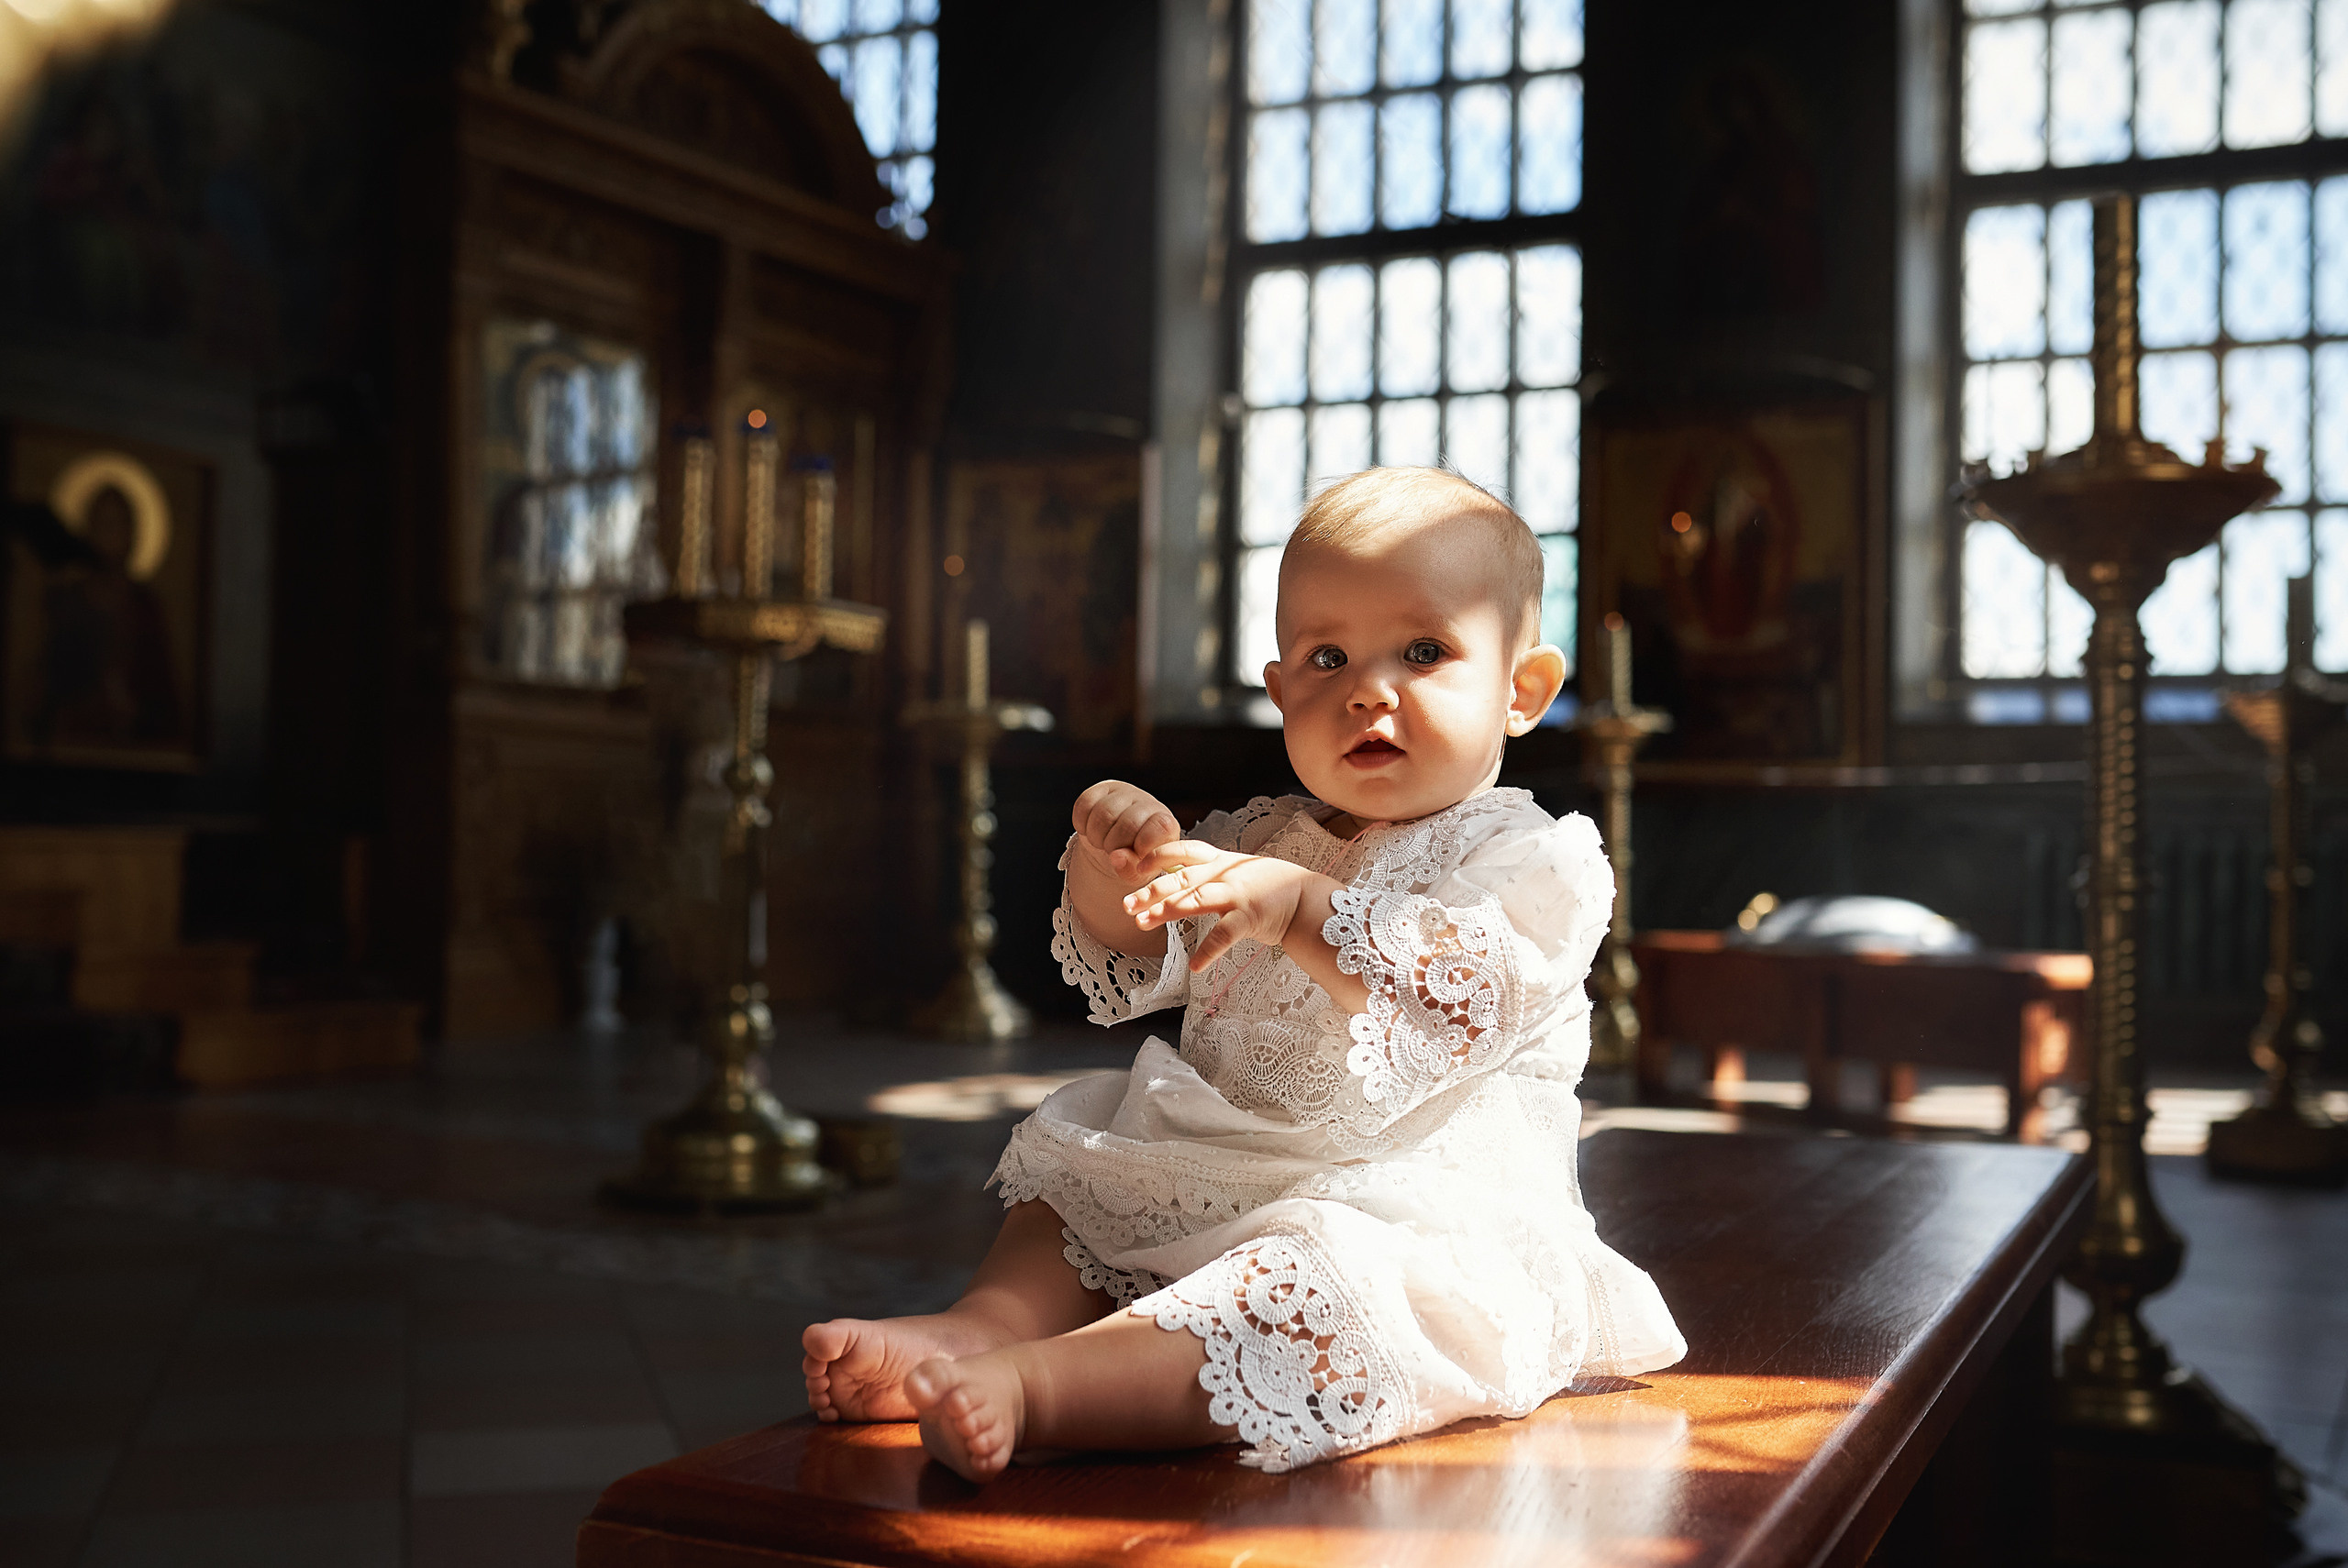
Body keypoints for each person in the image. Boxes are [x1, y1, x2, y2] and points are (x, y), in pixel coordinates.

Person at [803, 467, 1686, 1480]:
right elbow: (1134, 950)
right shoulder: (1264, 839)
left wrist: (1295, 907)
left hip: (1409, 1216)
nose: (1366, 688)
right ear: (1279, 692)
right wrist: (1112, 865)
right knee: (1078, 1187)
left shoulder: (1535, 858)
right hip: (1217, 1176)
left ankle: (1043, 1387)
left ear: (1521, 690)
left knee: (1311, 1298)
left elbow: (1455, 992)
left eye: (1425, 651)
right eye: (1326, 656)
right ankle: (976, 1330)